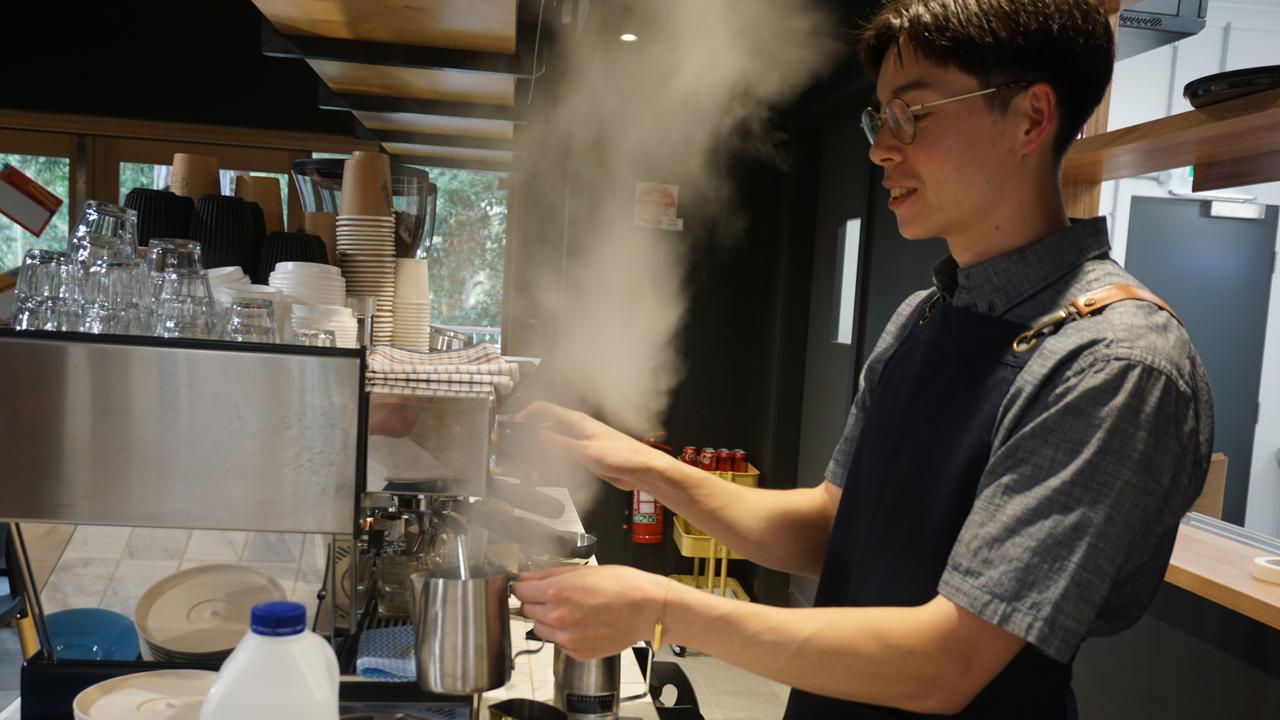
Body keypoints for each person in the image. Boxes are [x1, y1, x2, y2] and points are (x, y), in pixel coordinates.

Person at [511, 0, 1213, 717]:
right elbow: (826, 528)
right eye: (880, 119)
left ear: (1031, 119)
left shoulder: (1115, 362)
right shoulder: (926, 317)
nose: (881, 148)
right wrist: (634, 460)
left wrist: (666, 606)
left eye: (914, 115)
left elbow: (950, 661)